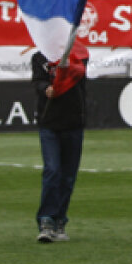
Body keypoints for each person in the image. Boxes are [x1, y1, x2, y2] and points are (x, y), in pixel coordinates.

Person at [31, 45, 89, 243]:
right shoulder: (39, 57)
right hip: (49, 123)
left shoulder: (80, 55)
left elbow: (78, 73)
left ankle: (59, 220)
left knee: (68, 177)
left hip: (73, 122)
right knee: (52, 170)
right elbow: (37, 81)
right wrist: (46, 89)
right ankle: (46, 220)